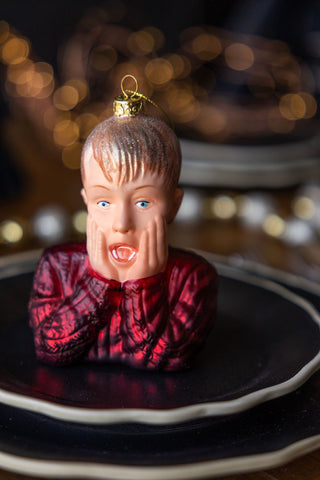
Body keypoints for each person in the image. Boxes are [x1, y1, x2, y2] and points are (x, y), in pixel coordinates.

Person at [29, 88, 218, 371]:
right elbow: (50, 348)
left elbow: (167, 358)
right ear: (87, 202)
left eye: (143, 202)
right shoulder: (57, 266)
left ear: (174, 205)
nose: (121, 224)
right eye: (103, 202)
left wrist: (145, 283)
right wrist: (99, 282)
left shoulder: (192, 278)